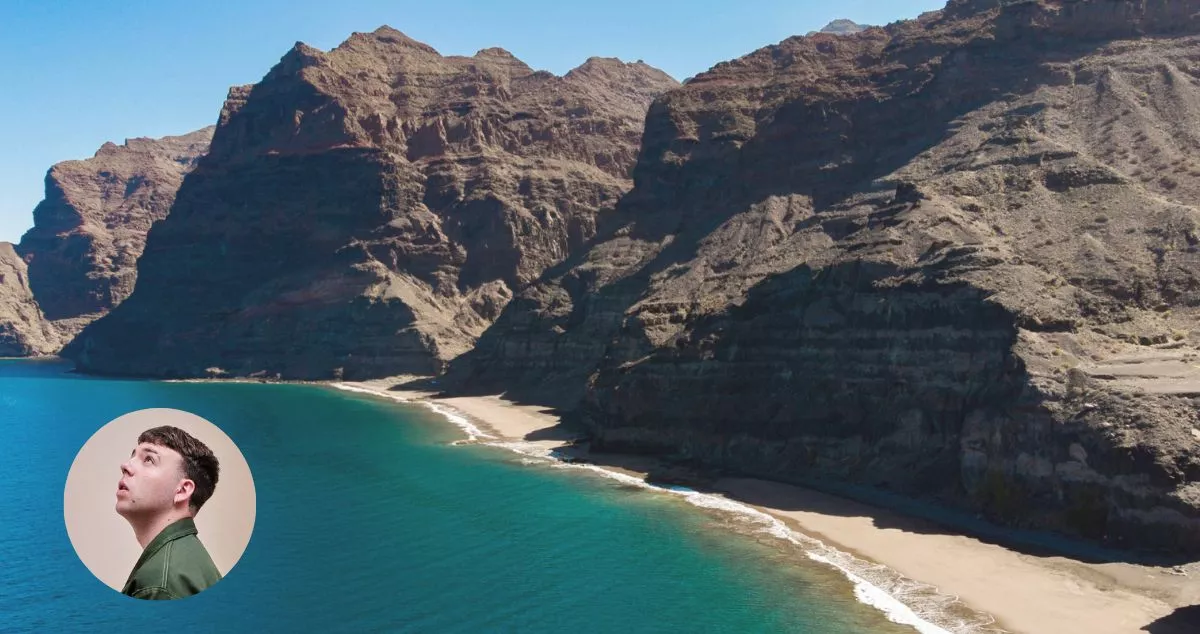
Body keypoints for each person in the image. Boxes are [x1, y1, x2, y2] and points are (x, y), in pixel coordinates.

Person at [115, 425, 223, 599]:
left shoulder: (159, 584)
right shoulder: (187, 560)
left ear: (182, 490)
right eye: (132, 456)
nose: (125, 466)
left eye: (149, 459)